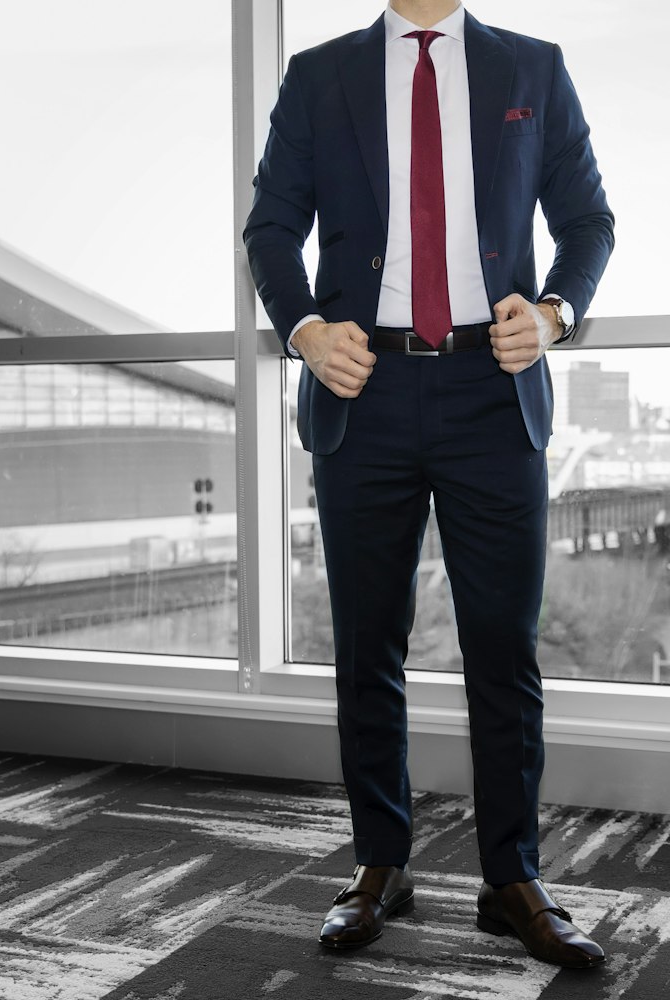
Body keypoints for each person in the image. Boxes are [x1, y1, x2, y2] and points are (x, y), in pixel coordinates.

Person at [244, 0, 613, 969]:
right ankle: (380, 864)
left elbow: (587, 220)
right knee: (369, 642)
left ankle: (512, 877)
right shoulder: (319, 75)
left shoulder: (532, 68)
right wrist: (305, 330)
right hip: (361, 385)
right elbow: (273, 224)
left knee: (503, 645)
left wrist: (556, 311)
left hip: (493, 387)